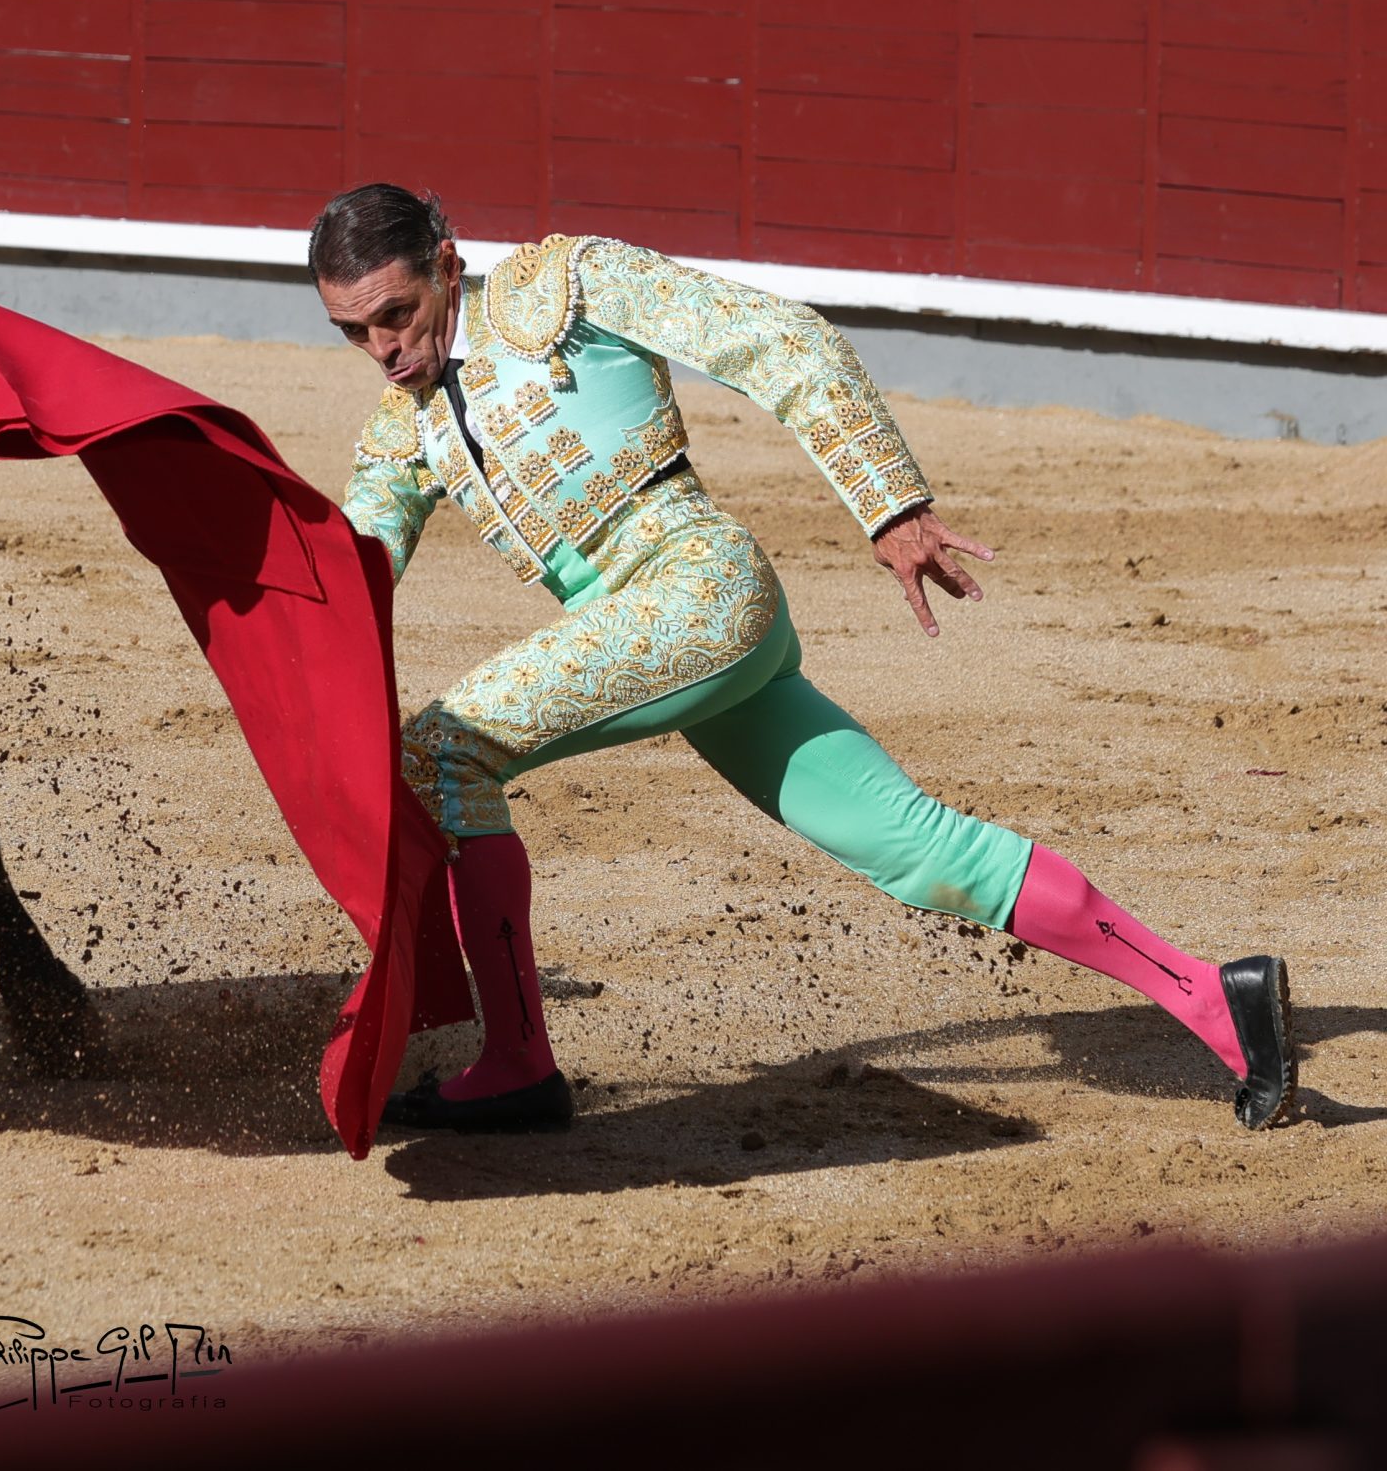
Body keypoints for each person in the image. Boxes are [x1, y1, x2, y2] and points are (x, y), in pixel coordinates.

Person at [308, 182, 1295, 1135]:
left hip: (694, 588)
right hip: (677, 637)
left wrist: (889, 501)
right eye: (354, 332)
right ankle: (1215, 995)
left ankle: (517, 1064)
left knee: (443, 750)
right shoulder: (405, 431)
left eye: (396, 313)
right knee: (919, 851)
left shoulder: (566, 286)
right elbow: (359, 566)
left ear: (447, 264)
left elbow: (782, 339)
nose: (384, 349)